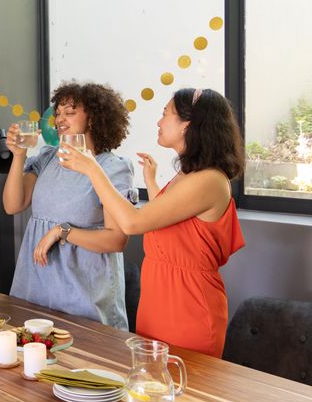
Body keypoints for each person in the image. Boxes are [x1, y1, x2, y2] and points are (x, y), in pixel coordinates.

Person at [59, 86, 245, 357]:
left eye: (165, 114)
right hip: (159, 302)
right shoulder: (188, 175)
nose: (159, 121)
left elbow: (133, 223)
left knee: (181, 391)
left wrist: (91, 168)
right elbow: (174, 223)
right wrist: (151, 182)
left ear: (187, 125)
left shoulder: (209, 180)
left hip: (188, 308)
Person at [4, 81, 136, 328]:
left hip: (83, 295)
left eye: (70, 112)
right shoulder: (47, 157)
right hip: (36, 287)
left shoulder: (112, 167)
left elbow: (116, 240)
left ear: (93, 118)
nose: (60, 119)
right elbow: (13, 205)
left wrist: (62, 231)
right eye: (58, 113)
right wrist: (19, 155)